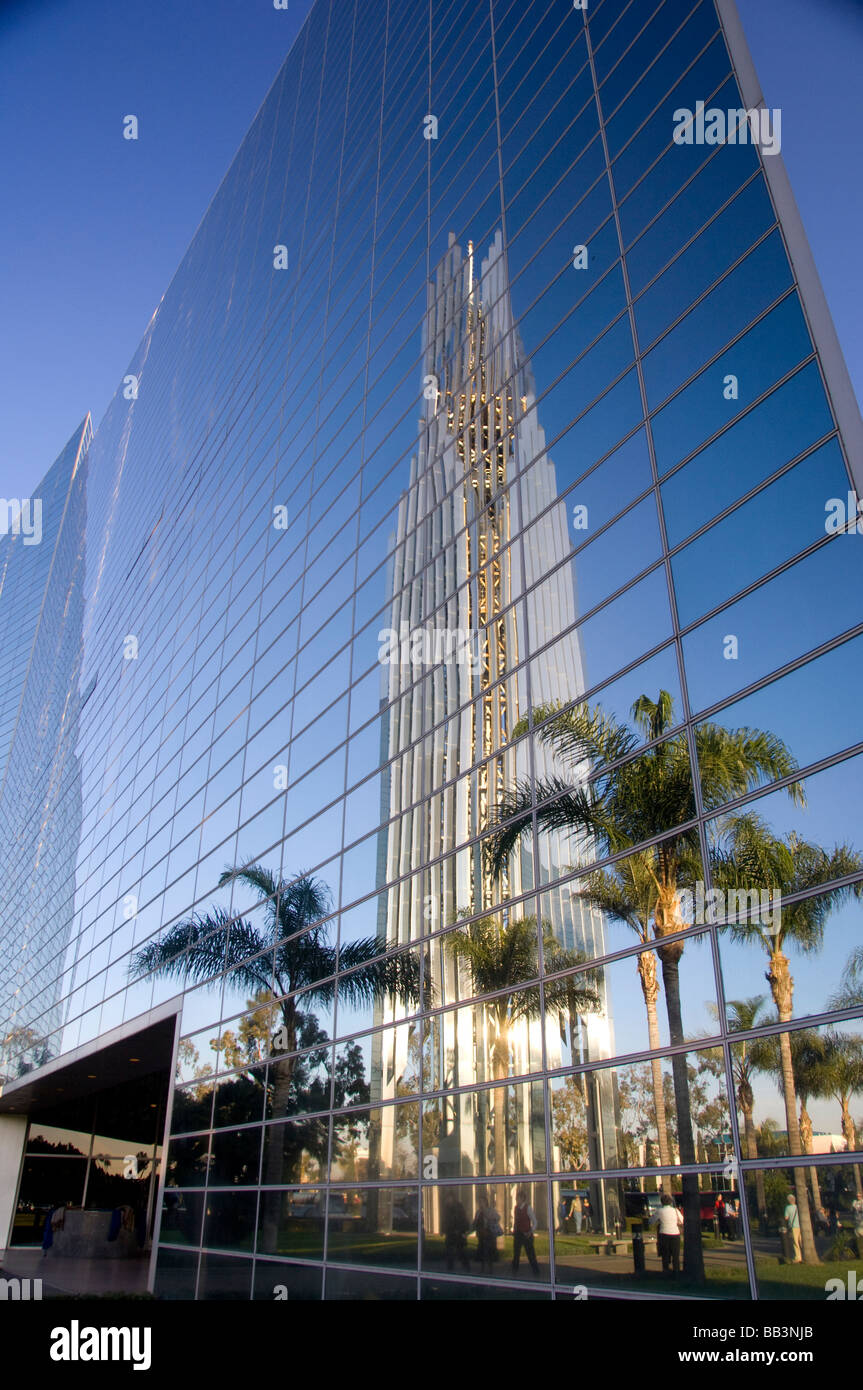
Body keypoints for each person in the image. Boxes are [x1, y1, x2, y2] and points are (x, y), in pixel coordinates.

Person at [651, 1194, 683, 1276]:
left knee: (665, 1254)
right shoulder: (675, 1210)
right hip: (675, 1233)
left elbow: (651, 1221)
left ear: (662, 1202)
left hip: (664, 1234)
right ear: (670, 1202)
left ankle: (666, 1271)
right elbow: (682, 1221)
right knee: (675, 1255)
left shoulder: (659, 1211)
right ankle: (677, 1272)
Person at [511, 1187, 540, 1275]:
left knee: (530, 1254)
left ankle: (536, 1271)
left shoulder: (528, 1208)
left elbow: (535, 1222)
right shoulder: (516, 1208)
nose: (516, 1200)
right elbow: (516, 1220)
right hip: (518, 1233)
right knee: (516, 1254)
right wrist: (514, 1229)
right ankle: (514, 1271)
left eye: (518, 1198)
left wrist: (530, 1232)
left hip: (526, 1234)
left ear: (522, 1199)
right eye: (516, 1198)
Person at [442, 1194, 470, 1272]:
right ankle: (450, 1266)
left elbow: (462, 1219)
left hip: (458, 1232)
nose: (447, 1200)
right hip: (451, 1232)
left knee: (460, 1250)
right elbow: (445, 1219)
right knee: (450, 1250)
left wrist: (460, 1230)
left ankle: (465, 1265)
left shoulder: (458, 1207)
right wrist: (444, 1229)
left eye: (449, 1198)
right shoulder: (447, 1208)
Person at [782, 1192, 802, 1264]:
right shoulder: (798, 1207)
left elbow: (786, 1218)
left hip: (793, 1226)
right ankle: (803, 1255)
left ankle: (798, 1257)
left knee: (795, 1242)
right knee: (801, 1241)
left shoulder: (787, 1208)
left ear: (788, 1201)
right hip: (801, 1225)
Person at [851, 1194, 863, 1259]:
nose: (858, 1197)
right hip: (856, 1219)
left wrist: (858, 1208)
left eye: (859, 1196)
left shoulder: (862, 1202)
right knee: (857, 1231)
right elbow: (853, 1208)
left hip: (862, 1219)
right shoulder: (855, 1202)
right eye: (857, 1196)